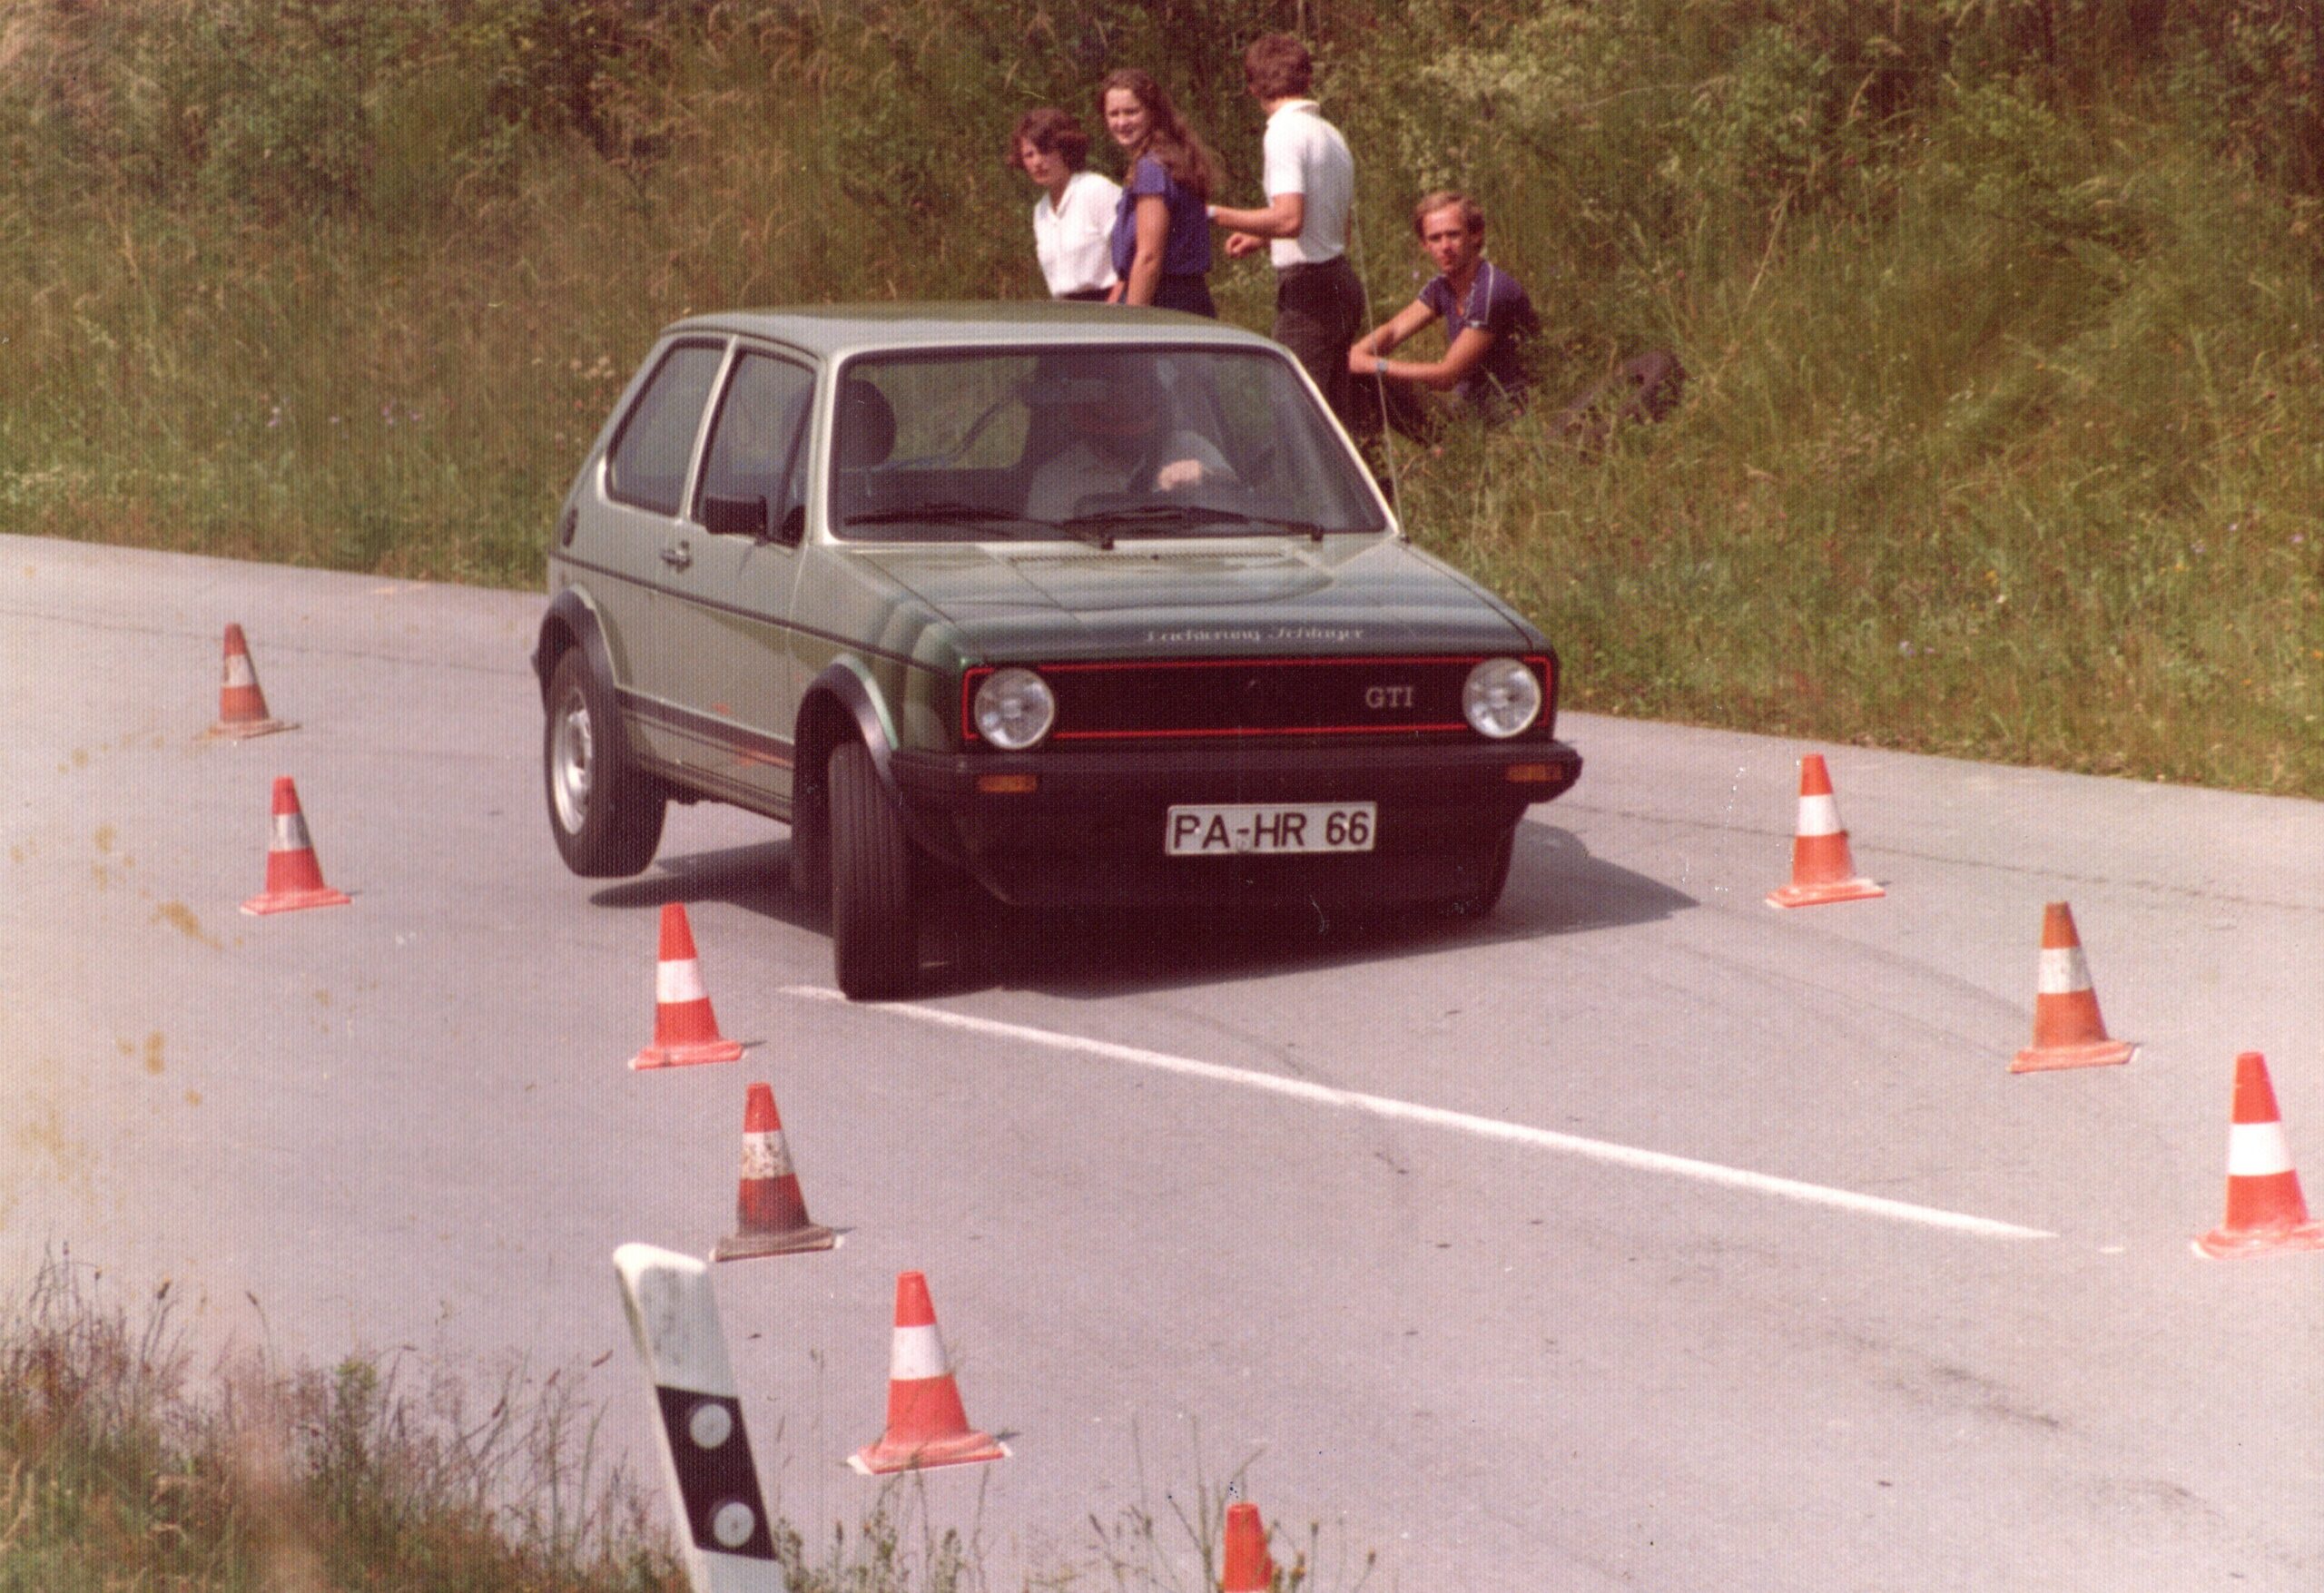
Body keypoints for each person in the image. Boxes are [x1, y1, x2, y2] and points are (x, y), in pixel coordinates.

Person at [1209, 34, 1364, 428]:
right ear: (1308, 79)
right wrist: (1262, 238)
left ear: (1253, 87)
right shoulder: (1329, 133)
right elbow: (1331, 224)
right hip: (1339, 280)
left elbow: (1289, 219)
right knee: (1333, 417)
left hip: (1310, 290)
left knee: (1300, 418)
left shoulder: (1282, 132)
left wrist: (1212, 213)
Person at [1347, 191, 1541, 431]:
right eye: (1435, 238)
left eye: (1454, 235)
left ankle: (1447, 450)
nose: (1445, 247)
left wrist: (1373, 364)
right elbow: (1394, 330)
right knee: (1361, 377)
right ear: (1425, 245)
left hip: (1511, 416)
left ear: (1475, 235)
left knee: (1373, 374)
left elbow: (1447, 376)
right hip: (1471, 411)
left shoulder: (1491, 290)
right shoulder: (1443, 286)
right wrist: (1349, 357)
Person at [1024, 360, 1230, 521]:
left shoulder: (1189, 447)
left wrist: (1207, 476)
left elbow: (1241, 497)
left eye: (1136, 387)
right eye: (1113, 391)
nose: (1126, 400)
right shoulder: (1054, 481)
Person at [1098, 69, 1222, 317]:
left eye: (1131, 112)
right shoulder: (1165, 160)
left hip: (1166, 302)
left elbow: (1149, 257)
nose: (1121, 122)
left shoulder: (1152, 168)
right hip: (1184, 299)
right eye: (1114, 114)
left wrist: (1132, 324)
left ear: (1153, 113)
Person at [1009, 107, 1120, 302]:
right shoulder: (1040, 211)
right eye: (1029, 154)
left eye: (1045, 150)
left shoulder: (1094, 189)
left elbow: (1134, 261)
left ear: (1066, 148)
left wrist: (1115, 315)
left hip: (1110, 309)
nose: (1037, 162)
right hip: (1066, 315)